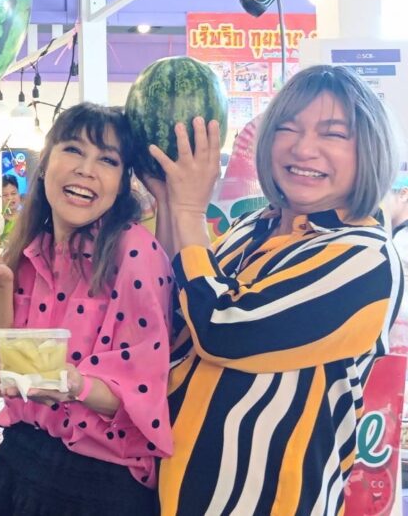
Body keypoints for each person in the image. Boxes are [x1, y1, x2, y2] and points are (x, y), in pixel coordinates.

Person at [151, 65, 404, 516]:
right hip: (171, 492)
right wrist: (168, 203)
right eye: (288, 127)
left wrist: (188, 209)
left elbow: (223, 329)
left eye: (333, 133)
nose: (303, 148)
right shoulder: (253, 227)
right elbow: (182, 307)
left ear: (370, 149)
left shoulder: (366, 257)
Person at [0, 104, 173, 516]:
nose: (86, 170)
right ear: (45, 164)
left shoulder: (134, 252)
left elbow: (145, 400)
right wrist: (2, 287)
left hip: (99, 481)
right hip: (20, 455)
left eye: (107, 160)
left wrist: (76, 385)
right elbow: (0, 378)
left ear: (122, 183)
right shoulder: (29, 250)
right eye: (73, 150)